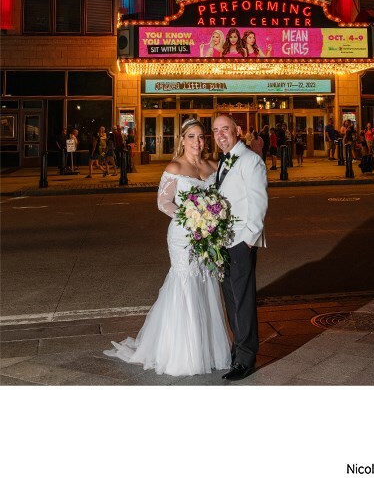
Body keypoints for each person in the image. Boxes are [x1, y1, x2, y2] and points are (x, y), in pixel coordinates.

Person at [104, 118, 231, 376]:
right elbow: (164, 202)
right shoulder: (175, 166)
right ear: (182, 140)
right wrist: (192, 217)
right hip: (183, 236)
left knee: (206, 281)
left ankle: (208, 347)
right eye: (192, 136)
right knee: (185, 283)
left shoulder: (212, 166)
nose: (197, 141)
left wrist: (211, 221)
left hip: (206, 235)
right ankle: (183, 351)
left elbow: (221, 199)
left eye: (201, 137)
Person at [212, 113, 269, 381]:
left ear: (237, 130)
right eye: (216, 130)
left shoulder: (250, 160)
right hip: (224, 240)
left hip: (240, 242)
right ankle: (238, 351)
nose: (220, 134)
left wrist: (247, 241)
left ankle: (246, 358)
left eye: (225, 129)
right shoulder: (224, 161)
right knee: (232, 300)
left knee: (243, 301)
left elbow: (259, 203)